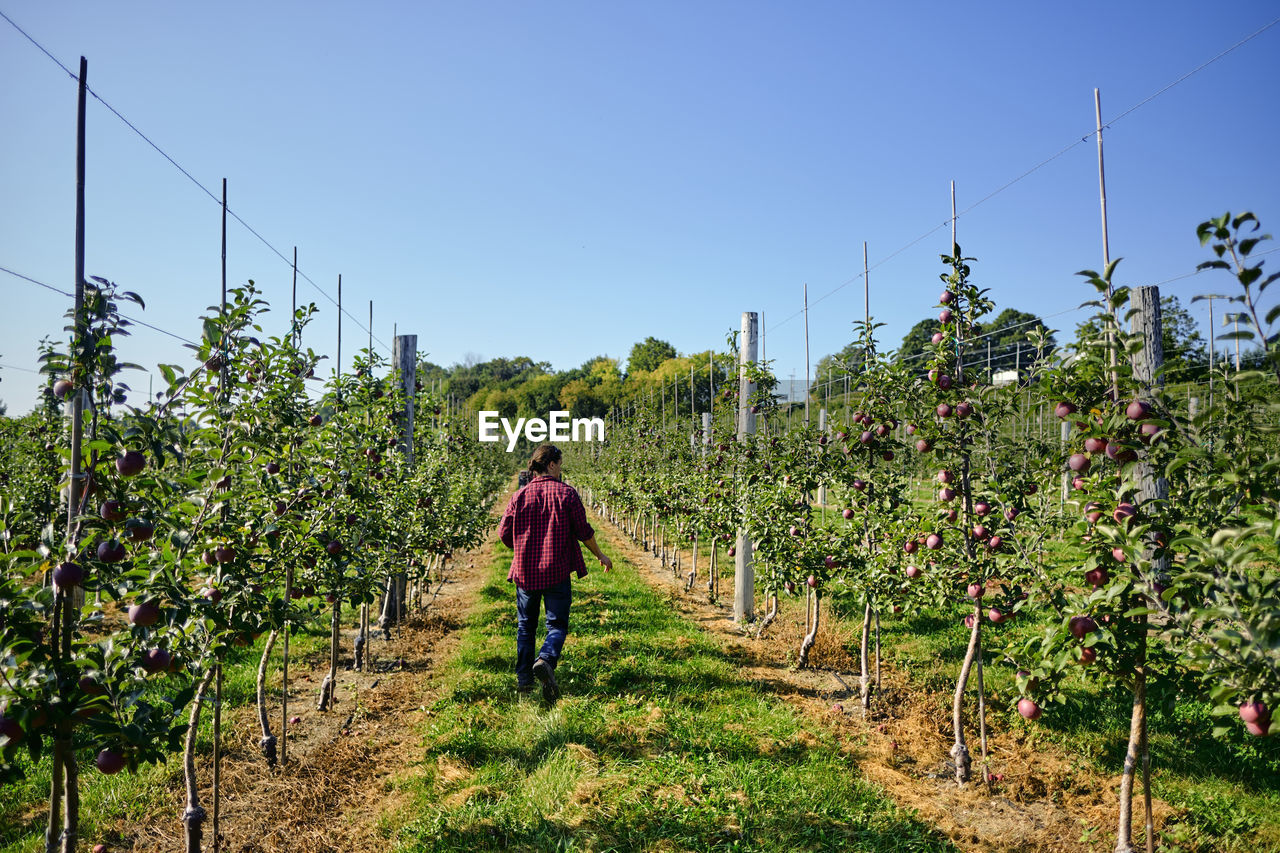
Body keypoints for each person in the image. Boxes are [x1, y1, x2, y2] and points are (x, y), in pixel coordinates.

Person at [498, 443, 611, 701]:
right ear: (551, 465)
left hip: (526, 573)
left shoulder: (519, 496)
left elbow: (504, 534)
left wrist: (524, 548)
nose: (561, 469)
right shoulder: (566, 494)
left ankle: (524, 682)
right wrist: (601, 556)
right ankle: (546, 659)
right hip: (557, 570)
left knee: (525, 627)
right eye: (559, 464)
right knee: (556, 624)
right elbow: (584, 531)